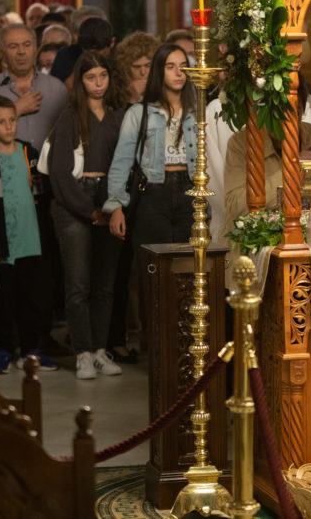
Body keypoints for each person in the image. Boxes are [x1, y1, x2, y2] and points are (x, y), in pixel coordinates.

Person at [104, 44, 198, 361]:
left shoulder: (197, 112)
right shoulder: (140, 113)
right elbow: (121, 162)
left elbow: (209, 162)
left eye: (183, 65)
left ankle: (186, 351)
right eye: (170, 66)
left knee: (189, 273)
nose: (178, 72)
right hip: (153, 194)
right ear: (159, 71)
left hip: (189, 192)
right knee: (154, 277)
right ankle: (159, 353)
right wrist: (116, 205)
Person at [48, 51, 126, 380]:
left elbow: (125, 163)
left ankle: (99, 350)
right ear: (81, 81)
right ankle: (82, 351)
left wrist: (112, 205)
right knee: (78, 283)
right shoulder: (69, 116)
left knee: (105, 283)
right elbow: (59, 173)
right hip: (75, 200)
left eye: (102, 76)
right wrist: (88, 209)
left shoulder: (119, 116)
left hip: (112, 199)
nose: (98, 83)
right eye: (91, 77)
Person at [0, 96, 57, 374]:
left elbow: (44, 195)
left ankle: (31, 350)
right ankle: (4, 350)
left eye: (12, 120)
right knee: (5, 301)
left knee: (33, 298)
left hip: (31, 240)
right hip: (3, 244)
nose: (9, 126)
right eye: (1, 122)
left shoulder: (29, 153)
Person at [0, 24, 68, 154]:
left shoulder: (57, 88)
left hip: (49, 166)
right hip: (5, 166)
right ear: (4, 53)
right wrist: (14, 111)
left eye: (27, 45)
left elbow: (69, 137)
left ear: (35, 49)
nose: (21, 51)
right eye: (13, 46)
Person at [114, 31, 159, 105]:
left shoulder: (165, 88)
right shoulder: (117, 92)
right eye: (137, 67)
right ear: (126, 68)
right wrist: (134, 98)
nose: (143, 72)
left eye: (148, 65)